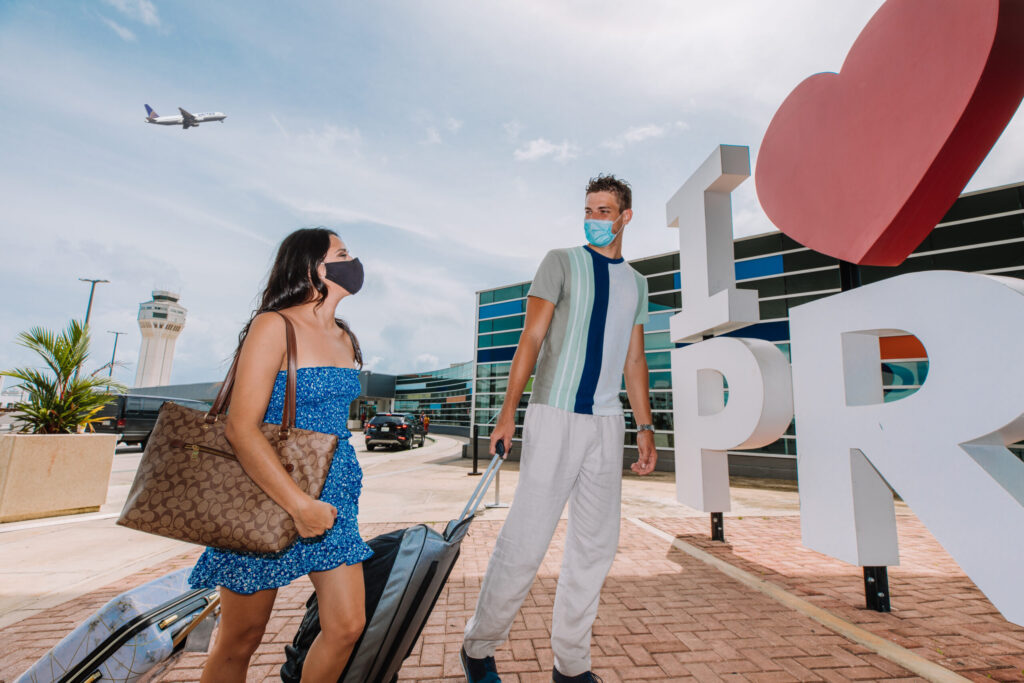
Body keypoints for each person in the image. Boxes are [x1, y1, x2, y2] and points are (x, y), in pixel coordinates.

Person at [462, 175, 658, 683]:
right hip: (554, 414)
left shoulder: (637, 284)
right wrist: (508, 412)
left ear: (625, 217)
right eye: (589, 209)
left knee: (596, 546)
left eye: (604, 210)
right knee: (527, 538)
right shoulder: (561, 262)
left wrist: (645, 427)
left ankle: (571, 665)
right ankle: (478, 646)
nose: (594, 218)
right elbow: (530, 338)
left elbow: (634, 360)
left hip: (607, 423)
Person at [188, 228, 372, 683]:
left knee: (347, 627)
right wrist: (298, 505)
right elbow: (240, 427)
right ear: (311, 266)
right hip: (266, 494)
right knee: (242, 638)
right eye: (342, 253)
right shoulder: (274, 325)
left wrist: (318, 503)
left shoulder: (345, 337)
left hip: (333, 498)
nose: (354, 261)